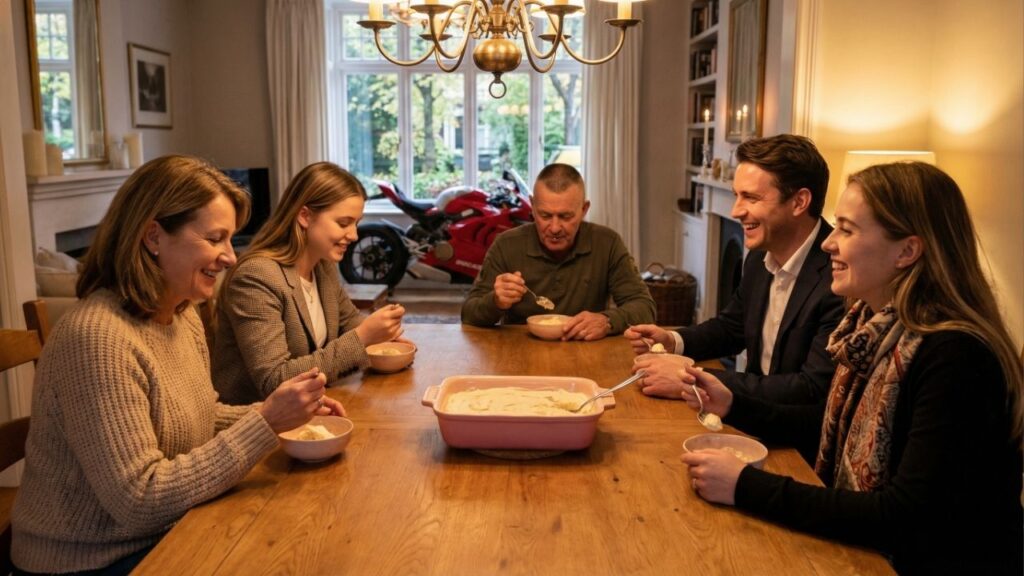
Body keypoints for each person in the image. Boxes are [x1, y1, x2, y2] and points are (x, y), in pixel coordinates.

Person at [679, 162, 1023, 574]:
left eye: (847, 229)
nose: (828, 244)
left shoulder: (954, 356)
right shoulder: (871, 326)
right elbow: (826, 424)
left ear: (907, 251)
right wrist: (734, 405)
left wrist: (746, 486)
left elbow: (902, 516)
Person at [10, 155, 344, 575]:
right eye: (215, 238)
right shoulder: (97, 339)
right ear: (153, 236)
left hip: (162, 532)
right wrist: (265, 425)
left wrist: (278, 415)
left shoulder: (181, 313)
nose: (230, 258)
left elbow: (194, 415)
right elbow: (140, 500)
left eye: (230, 240)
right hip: (92, 560)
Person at [627, 134, 844, 403]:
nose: (735, 211)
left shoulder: (841, 276)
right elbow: (733, 328)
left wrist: (689, 377)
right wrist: (673, 341)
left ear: (799, 202)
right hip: (751, 416)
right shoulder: (757, 258)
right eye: (736, 196)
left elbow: (810, 388)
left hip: (794, 438)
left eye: (751, 198)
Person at [213, 162, 406, 405]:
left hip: (313, 409)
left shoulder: (322, 265)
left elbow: (348, 323)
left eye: (355, 223)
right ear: (305, 216)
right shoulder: (256, 277)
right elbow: (275, 381)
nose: (354, 235)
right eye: (343, 223)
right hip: (257, 428)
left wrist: (385, 337)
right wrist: (363, 337)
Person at [461, 163, 656, 340]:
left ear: (584, 209)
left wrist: (607, 321)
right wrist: (495, 301)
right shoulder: (507, 244)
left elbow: (644, 307)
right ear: (533, 208)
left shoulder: (607, 243)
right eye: (545, 215)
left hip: (586, 350)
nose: (554, 228)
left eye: (565, 216)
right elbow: (468, 314)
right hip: (519, 354)